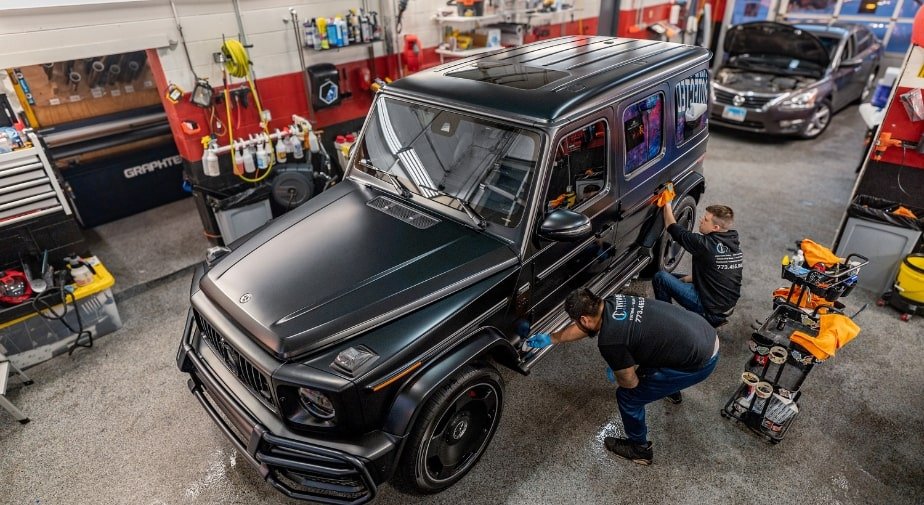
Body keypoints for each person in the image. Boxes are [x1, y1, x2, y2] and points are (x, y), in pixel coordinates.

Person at [525, 288, 720, 466]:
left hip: (700, 362)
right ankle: (669, 388)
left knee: (628, 397)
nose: (577, 325)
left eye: (576, 321)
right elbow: (592, 327)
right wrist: (553, 338)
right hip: (704, 333)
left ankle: (640, 449)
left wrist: (619, 371)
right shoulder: (614, 301)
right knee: (649, 357)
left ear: (583, 319)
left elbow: (630, 382)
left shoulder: (610, 341)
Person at [653, 202, 742, 328]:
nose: (701, 220)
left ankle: (666, 324)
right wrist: (684, 280)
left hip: (710, 311)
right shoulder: (733, 243)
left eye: (706, 219)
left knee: (661, 278)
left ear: (715, 228)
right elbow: (714, 274)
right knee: (671, 278)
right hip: (724, 306)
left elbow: (672, 227)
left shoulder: (705, 244)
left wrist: (667, 204)